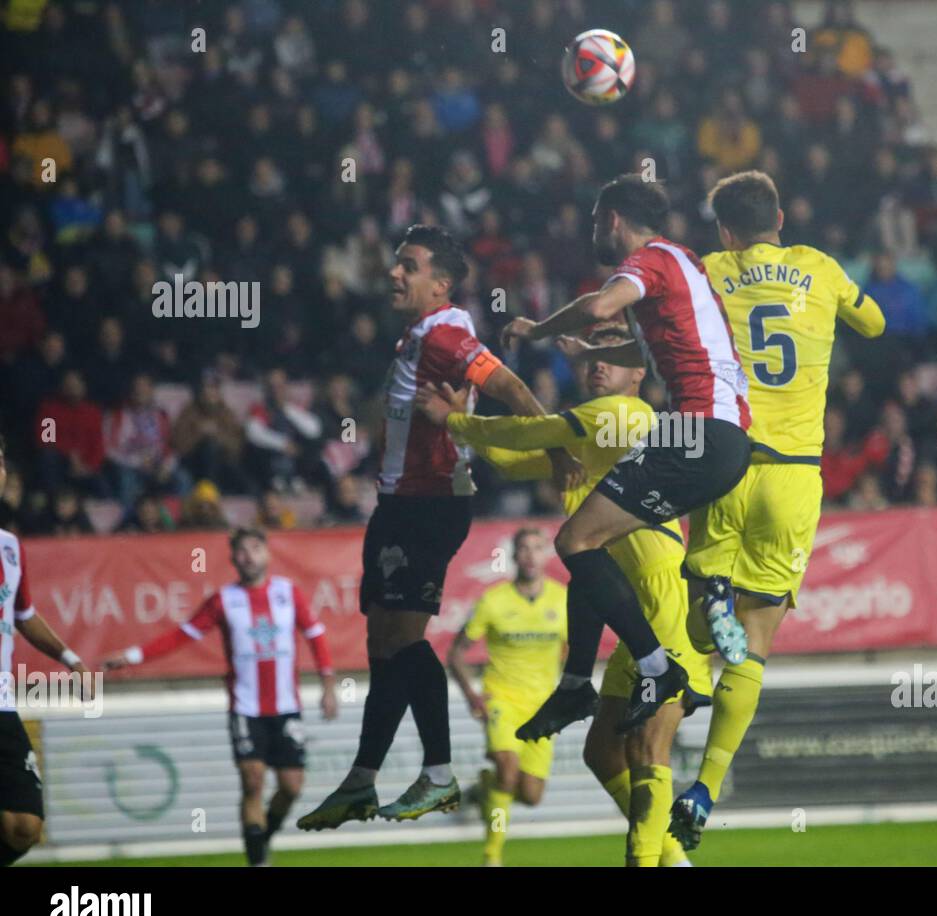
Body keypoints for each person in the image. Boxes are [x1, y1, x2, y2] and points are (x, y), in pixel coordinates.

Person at [297, 225, 579, 831]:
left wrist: (555, 445)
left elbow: (506, 383)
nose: (394, 273)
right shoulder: (419, 334)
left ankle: (437, 773)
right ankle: (363, 779)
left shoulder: (448, 331)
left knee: (402, 643)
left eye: (409, 265)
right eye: (396, 262)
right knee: (382, 647)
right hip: (397, 504)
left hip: (428, 505)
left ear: (441, 284)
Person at [425, 323, 710, 867]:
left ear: (637, 375)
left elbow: (534, 435)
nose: (597, 364)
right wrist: (463, 422)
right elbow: (511, 458)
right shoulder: (587, 436)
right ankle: (675, 861)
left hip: (662, 594)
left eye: (615, 357)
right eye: (593, 357)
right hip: (632, 610)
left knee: (650, 749)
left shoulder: (624, 415)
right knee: (602, 752)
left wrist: (457, 419)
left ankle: (652, 861)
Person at [669, 169, 885, 850]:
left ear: (725, 231)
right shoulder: (818, 268)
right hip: (795, 477)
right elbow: (874, 323)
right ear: (782, 219)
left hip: (725, 459)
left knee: (702, 637)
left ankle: (714, 599)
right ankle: (705, 787)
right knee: (752, 651)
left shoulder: (708, 271)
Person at [499, 174, 752, 737]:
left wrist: (538, 329)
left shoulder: (650, 262)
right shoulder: (685, 262)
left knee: (572, 540)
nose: (594, 231)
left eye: (595, 221)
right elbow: (661, 344)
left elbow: (601, 304)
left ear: (612, 218)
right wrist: (593, 351)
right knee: (597, 548)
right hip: (726, 438)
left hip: (697, 432)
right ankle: (573, 686)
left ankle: (658, 669)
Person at [105, 527, 337, 866]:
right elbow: (181, 636)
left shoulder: (289, 593)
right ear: (232, 559)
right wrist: (134, 656)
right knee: (253, 779)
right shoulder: (223, 600)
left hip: (287, 707)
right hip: (245, 708)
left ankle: (261, 837)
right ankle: (258, 860)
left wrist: (329, 686)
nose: (249, 555)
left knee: (291, 786)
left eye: (255, 548)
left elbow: (316, 635)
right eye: (241, 550)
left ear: (267, 553)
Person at [0, 435, 95, 867]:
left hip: (1, 704)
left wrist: (70, 658)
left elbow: (24, 614)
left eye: (0, 460)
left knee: (25, 825)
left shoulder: (10, 548)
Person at [446, 527, 566, 866]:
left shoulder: (561, 599)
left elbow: (573, 650)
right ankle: (492, 856)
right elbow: (456, 654)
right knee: (508, 769)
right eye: (523, 549)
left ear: (546, 556)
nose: (529, 555)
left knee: (530, 796)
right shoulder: (493, 600)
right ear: (513, 557)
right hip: (502, 700)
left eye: (536, 548)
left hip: (543, 709)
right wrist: (472, 695)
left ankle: (486, 788)